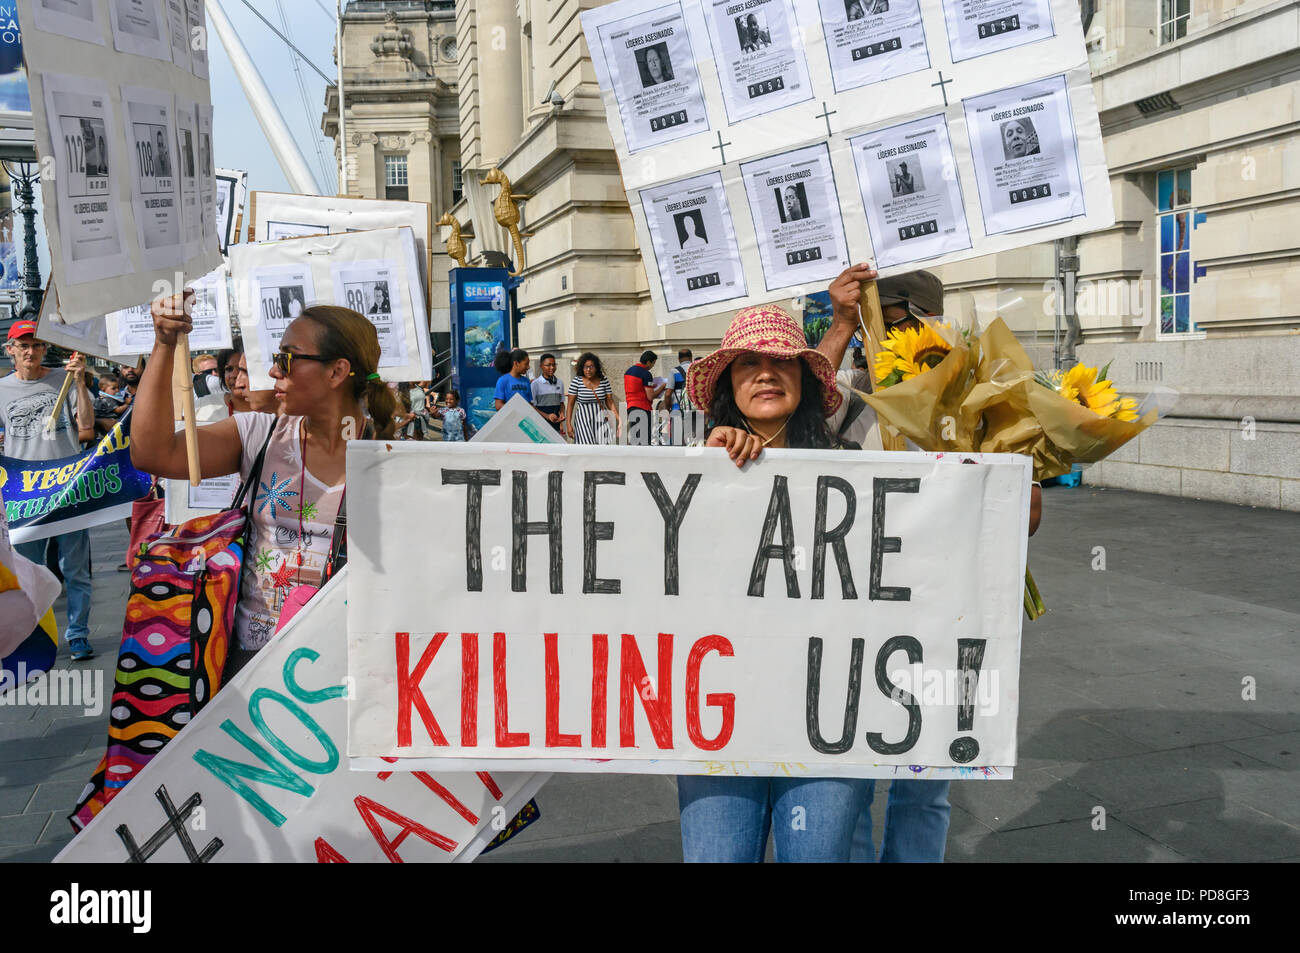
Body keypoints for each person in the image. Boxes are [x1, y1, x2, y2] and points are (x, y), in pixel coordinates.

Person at [819, 264, 1042, 862]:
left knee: (929, 778)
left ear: (923, 324)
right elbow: (797, 414)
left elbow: (1028, 512)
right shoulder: (847, 390)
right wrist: (840, 326)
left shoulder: (975, 396)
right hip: (857, 604)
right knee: (852, 773)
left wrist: (1002, 478)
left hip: (948, 609)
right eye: (874, 323)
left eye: (888, 322)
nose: (882, 338)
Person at [677, 304, 867, 861]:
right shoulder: (691, 466)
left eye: (781, 362)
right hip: (718, 719)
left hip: (825, 716)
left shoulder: (853, 466)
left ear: (805, 379)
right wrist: (703, 470)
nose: (765, 373)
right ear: (727, 386)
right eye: (747, 364)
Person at [131, 293, 398, 675]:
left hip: (348, 664)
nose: (273, 372)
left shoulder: (394, 459)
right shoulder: (260, 434)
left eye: (286, 358)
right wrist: (163, 344)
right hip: (252, 658)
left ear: (337, 372)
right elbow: (152, 454)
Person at [0, 321, 96, 661]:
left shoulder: (64, 379)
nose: (30, 351)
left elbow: (85, 428)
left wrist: (81, 382)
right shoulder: (2, 390)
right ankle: (34, 634)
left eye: (36, 344)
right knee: (28, 570)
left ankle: (78, 634)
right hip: (24, 496)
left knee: (76, 568)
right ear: (10, 350)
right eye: (22, 345)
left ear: (44, 349)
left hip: (67, 488)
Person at [565, 352, 619, 445]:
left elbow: (610, 402)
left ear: (596, 367)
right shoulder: (576, 381)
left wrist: (619, 420)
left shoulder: (604, 380)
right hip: (583, 422)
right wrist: (568, 425)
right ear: (582, 368)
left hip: (602, 420)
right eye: (586, 367)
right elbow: (570, 404)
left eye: (591, 367)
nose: (588, 370)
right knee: (586, 449)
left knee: (606, 447)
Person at [623, 350, 665, 446]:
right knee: (644, 439)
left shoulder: (628, 371)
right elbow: (650, 396)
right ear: (649, 362)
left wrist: (651, 386)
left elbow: (637, 387)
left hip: (631, 407)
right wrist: (662, 387)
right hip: (643, 408)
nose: (652, 366)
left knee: (635, 437)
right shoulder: (646, 374)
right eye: (653, 363)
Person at [530, 353, 566, 433]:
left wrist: (562, 414)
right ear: (541, 366)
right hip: (541, 427)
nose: (552, 368)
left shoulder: (560, 383)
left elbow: (562, 403)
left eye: (554, 365)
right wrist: (547, 416)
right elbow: (532, 407)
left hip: (556, 427)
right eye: (548, 365)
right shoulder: (535, 384)